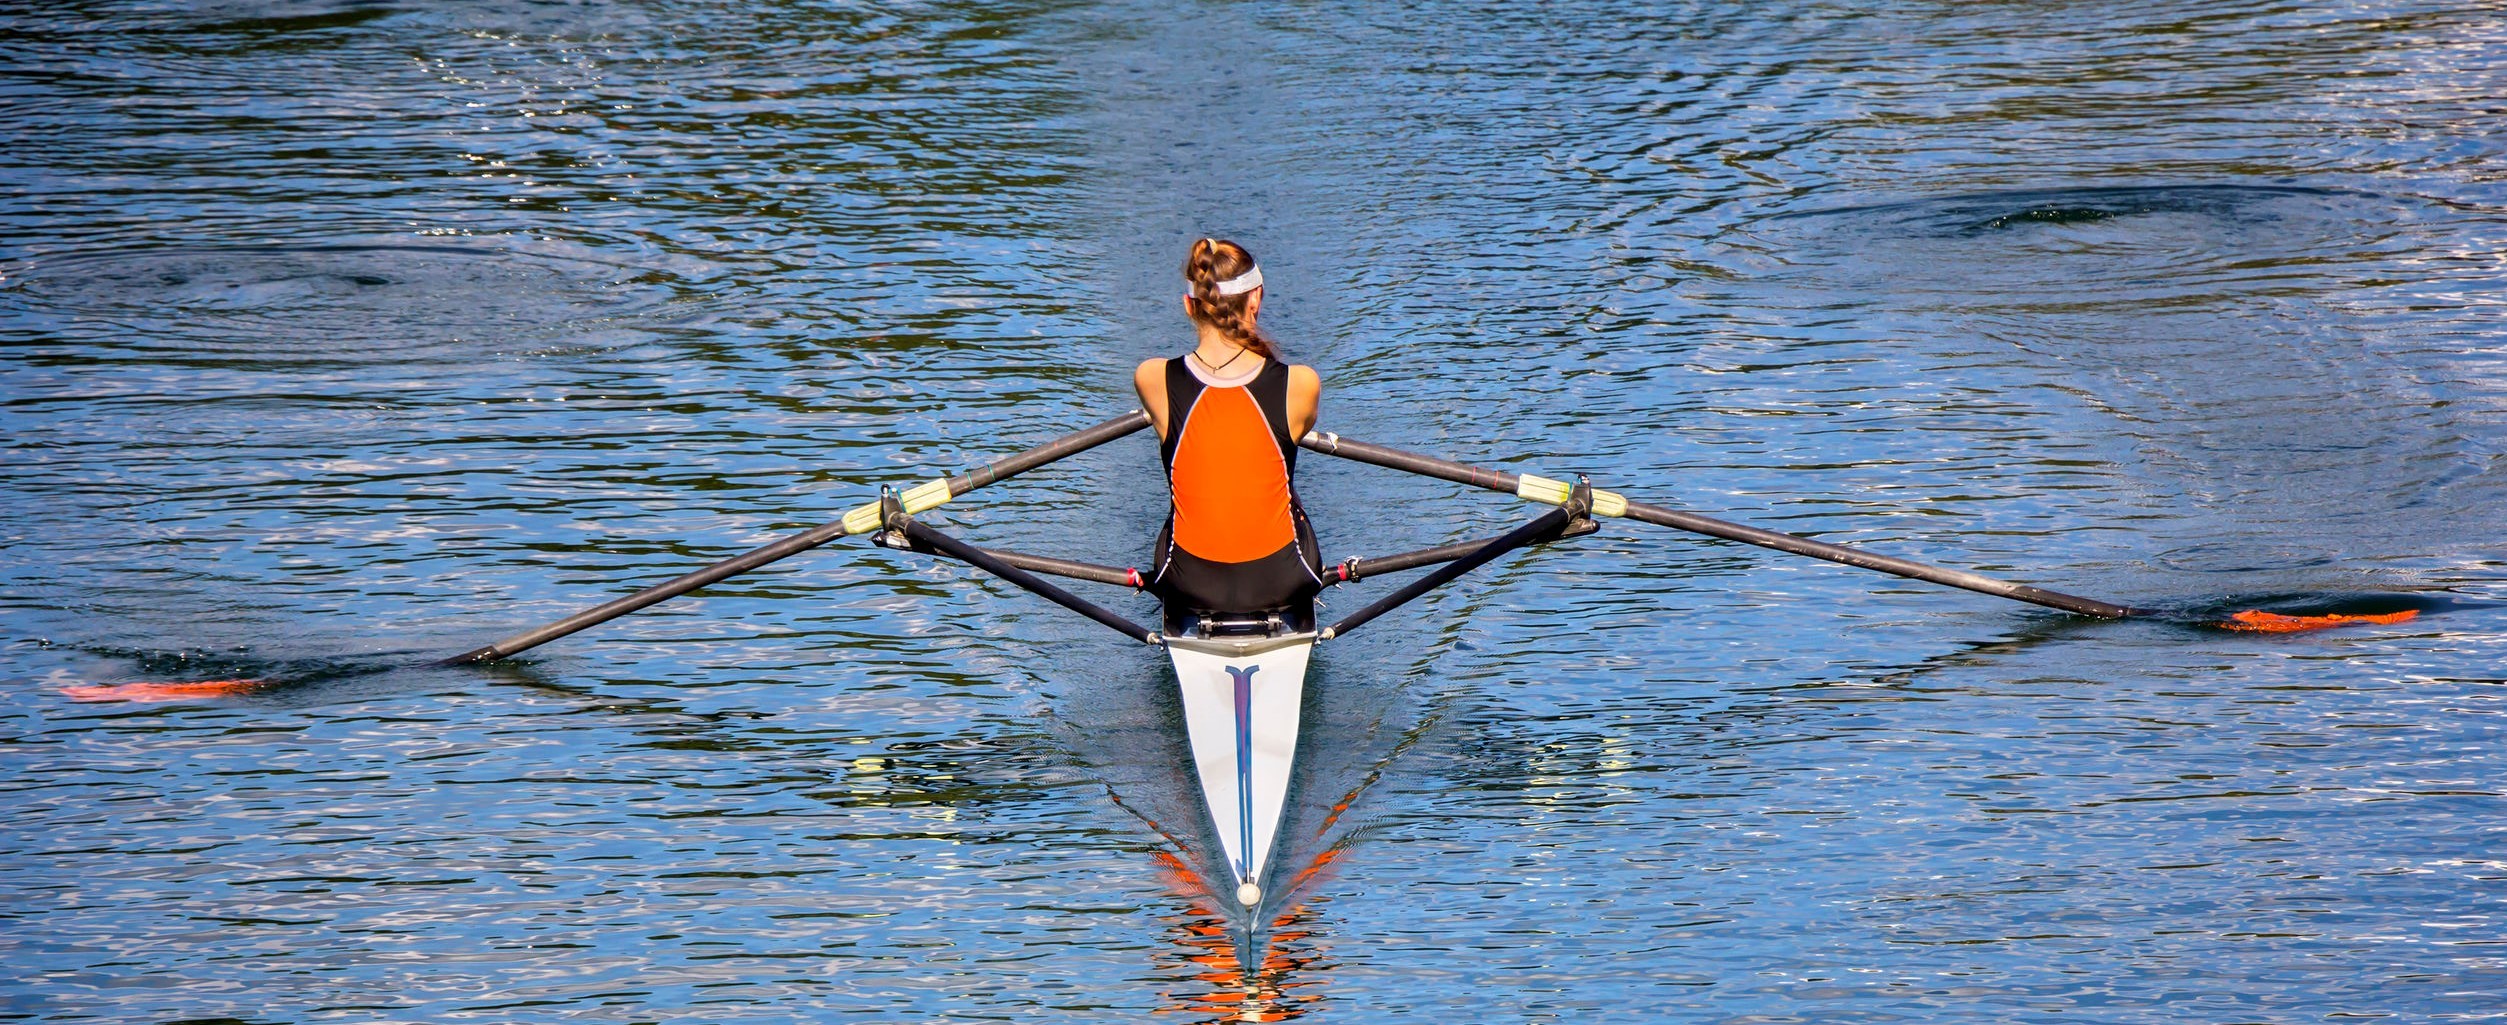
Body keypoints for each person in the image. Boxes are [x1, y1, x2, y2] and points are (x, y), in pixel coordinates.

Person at [1135, 238, 1325, 636]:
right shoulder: (1300, 384)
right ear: (1255, 300)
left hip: (1190, 584)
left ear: (1189, 304)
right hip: (1282, 581)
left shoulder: (1152, 378)